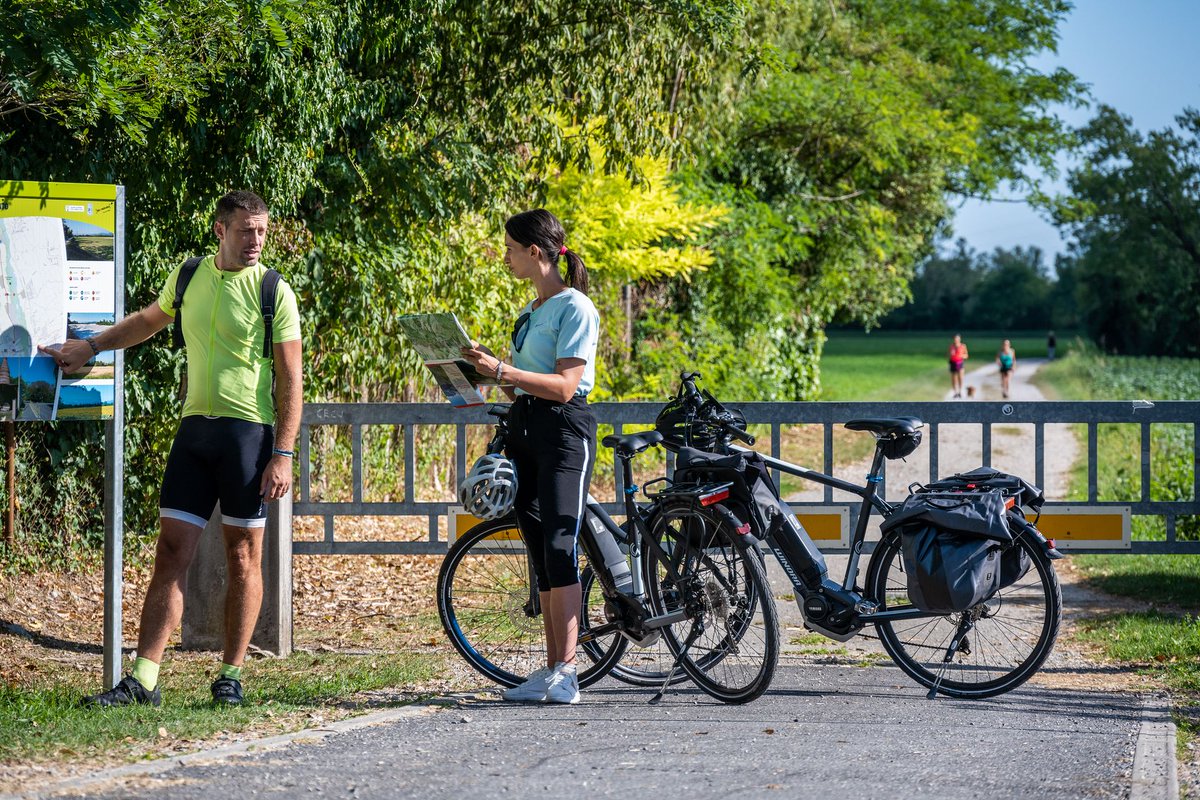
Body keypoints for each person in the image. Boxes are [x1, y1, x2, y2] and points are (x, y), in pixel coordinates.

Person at [40, 191, 303, 708]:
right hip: (194, 435)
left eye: (263, 231)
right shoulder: (189, 277)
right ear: (219, 229)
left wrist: (284, 453)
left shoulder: (275, 290)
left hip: (248, 437)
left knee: (243, 557)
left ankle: (231, 674)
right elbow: (146, 321)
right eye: (246, 230)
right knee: (171, 554)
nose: (256, 241)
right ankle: (144, 680)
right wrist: (90, 346)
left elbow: (291, 379)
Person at [460, 209, 599, 705]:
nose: (505, 257)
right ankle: (551, 670)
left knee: (562, 544)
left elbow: (564, 387)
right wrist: (476, 367)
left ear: (535, 253)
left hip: (562, 430)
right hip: (525, 428)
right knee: (540, 551)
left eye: (511, 249)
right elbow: (523, 377)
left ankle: (568, 672)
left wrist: (503, 370)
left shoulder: (574, 308)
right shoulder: (531, 311)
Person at [947, 334, 969, 398]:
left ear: (959, 339)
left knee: (960, 378)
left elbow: (966, 355)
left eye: (957, 339)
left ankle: (960, 391)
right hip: (953, 362)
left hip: (960, 362)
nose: (956, 340)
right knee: (954, 379)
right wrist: (951, 354)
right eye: (955, 339)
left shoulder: (963, 346)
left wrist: (962, 356)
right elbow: (948, 354)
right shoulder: (951, 346)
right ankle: (955, 392)